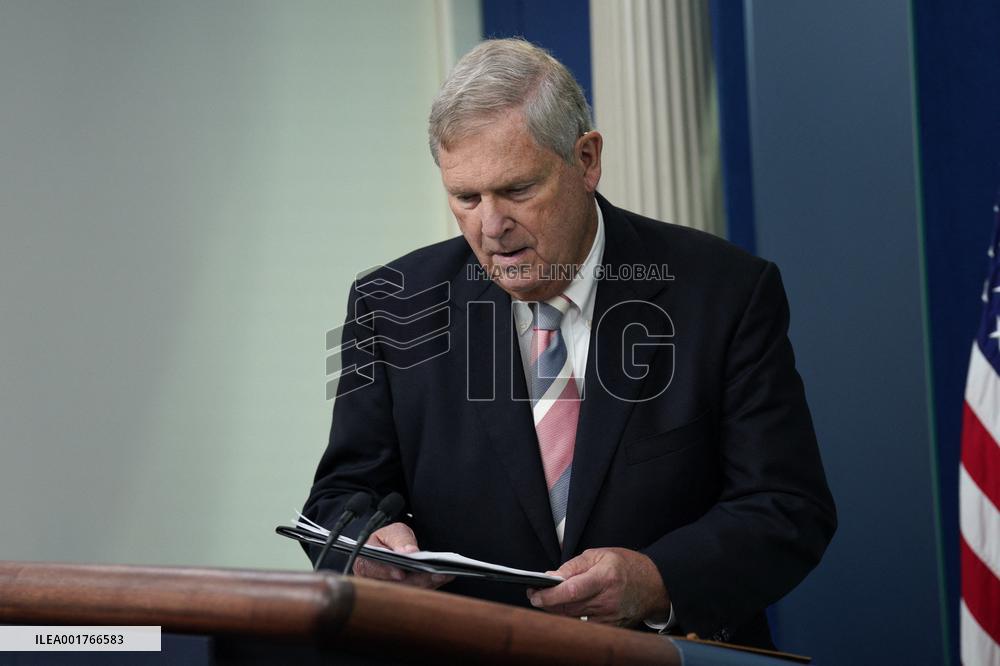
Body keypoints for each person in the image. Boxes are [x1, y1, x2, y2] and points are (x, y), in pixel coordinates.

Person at [303, 38, 836, 648]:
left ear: (586, 160)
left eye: (517, 190)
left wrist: (659, 580)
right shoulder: (393, 303)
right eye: (466, 198)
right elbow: (338, 501)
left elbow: (788, 507)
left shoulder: (725, 294)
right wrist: (365, 548)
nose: (491, 227)